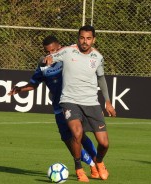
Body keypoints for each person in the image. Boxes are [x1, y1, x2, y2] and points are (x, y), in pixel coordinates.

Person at [8, 35, 106, 180]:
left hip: (75, 103)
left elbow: (88, 50)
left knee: (80, 136)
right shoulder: (43, 66)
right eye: (48, 52)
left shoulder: (69, 55)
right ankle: (91, 164)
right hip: (58, 108)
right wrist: (20, 89)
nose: (50, 54)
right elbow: (33, 84)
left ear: (59, 47)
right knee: (69, 139)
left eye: (53, 50)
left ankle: (97, 163)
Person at [43, 25, 116, 182]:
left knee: (104, 143)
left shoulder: (98, 57)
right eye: (82, 38)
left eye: (88, 38)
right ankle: (78, 168)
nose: (85, 41)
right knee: (77, 134)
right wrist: (49, 59)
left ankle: (99, 162)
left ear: (93, 39)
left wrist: (108, 102)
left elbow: (101, 79)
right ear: (78, 38)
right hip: (69, 101)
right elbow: (52, 56)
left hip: (91, 102)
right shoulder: (68, 51)